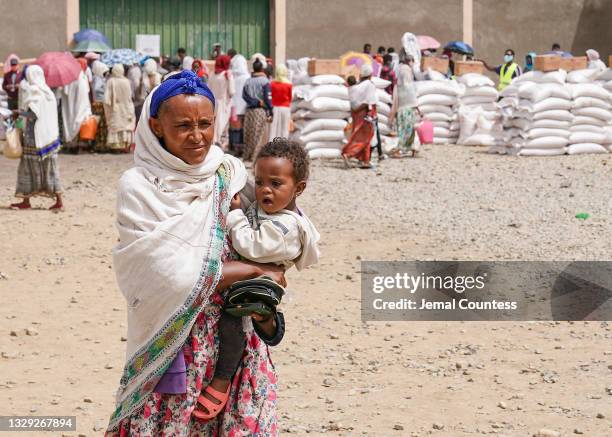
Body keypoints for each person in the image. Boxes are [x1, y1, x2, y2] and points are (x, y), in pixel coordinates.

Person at [106, 69, 283, 435]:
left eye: (206, 123)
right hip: (173, 342)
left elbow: (272, 236)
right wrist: (252, 272)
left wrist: (264, 266)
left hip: (234, 338)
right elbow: (169, 276)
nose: (198, 136)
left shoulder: (228, 172)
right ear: (155, 126)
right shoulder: (138, 187)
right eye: (183, 125)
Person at [197, 138, 319, 421]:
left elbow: (250, 246)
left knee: (233, 325)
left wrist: (236, 215)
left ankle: (222, 379)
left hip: (256, 288)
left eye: (275, 184)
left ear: (298, 189)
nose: (265, 190)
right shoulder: (273, 208)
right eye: (260, 181)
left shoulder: (285, 227)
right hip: (250, 280)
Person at [10, 65, 63, 211]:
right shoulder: (49, 93)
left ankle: (26, 201)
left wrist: (19, 113)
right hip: (50, 137)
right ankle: (59, 200)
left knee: (27, 167)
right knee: (50, 167)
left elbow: (34, 114)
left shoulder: (35, 91)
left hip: (35, 137)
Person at [342, 63, 378, 169]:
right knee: (364, 138)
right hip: (365, 114)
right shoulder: (369, 85)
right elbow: (369, 102)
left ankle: (365, 160)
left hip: (357, 114)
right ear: (370, 75)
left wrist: (356, 109)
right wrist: (367, 112)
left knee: (360, 136)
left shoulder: (358, 86)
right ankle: (348, 153)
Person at [390, 57, 420, 157]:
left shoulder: (401, 71)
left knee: (409, 129)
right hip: (407, 106)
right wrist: (416, 104)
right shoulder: (406, 72)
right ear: (409, 62)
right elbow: (409, 90)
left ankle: (412, 147)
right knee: (406, 129)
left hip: (404, 105)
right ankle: (400, 148)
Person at [242, 60, 272, 161]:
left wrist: (253, 102)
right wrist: (270, 109)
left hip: (249, 110)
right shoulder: (265, 81)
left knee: (249, 134)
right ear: (262, 69)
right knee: (259, 134)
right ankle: (255, 156)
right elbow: (268, 98)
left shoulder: (248, 81)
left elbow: (244, 96)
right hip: (260, 111)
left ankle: (247, 155)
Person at [59, 62, 92, 152]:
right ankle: (79, 146)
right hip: (81, 106)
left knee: (71, 123)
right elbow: (86, 92)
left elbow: (64, 91)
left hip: (70, 107)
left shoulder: (69, 78)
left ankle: (71, 144)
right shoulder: (82, 77)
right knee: (80, 123)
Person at [103, 64, 135, 153]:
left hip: (115, 107)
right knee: (125, 126)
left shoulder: (111, 81)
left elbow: (106, 98)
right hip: (127, 106)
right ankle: (125, 145)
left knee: (116, 125)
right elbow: (130, 96)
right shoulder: (127, 81)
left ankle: (116, 146)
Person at [208, 54, 235, 148]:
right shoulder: (227, 75)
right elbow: (232, 92)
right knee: (222, 124)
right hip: (224, 103)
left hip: (213, 102)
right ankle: (219, 143)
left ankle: (213, 141)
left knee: (214, 122)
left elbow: (209, 88)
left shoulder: (212, 74)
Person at [229, 54, 250, 156]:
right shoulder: (247, 77)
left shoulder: (230, 76)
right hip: (245, 106)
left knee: (234, 128)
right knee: (243, 129)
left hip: (233, 107)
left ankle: (233, 148)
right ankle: (242, 149)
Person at [268, 64, 292, 141]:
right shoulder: (289, 84)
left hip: (275, 108)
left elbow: (270, 96)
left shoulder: (272, 84)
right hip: (285, 108)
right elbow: (290, 98)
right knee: (284, 128)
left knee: (274, 128)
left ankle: (272, 144)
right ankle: (284, 144)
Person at [91, 60, 109, 152]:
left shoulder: (96, 78)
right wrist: (105, 89)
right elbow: (97, 89)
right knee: (100, 125)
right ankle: (100, 145)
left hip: (98, 103)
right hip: (99, 103)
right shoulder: (98, 79)